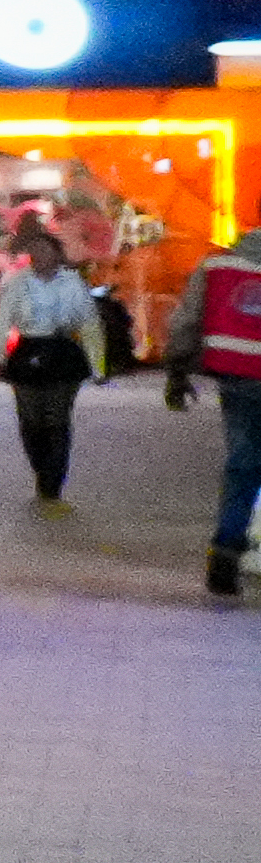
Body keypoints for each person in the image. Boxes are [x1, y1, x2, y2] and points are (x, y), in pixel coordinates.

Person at [0, 227, 107, 508]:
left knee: (57, 419)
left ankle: (52, 483)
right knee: (31, 420)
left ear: (57, 254)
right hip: (28, 353)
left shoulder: (72, 283)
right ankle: (41, 468)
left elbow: (89, 323)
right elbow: (3, 318)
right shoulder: (19, 283)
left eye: (44, 250)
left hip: (63, 352)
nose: (39, 256)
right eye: (34, 251)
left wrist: (98, 365)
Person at [177, 218, 261, 596]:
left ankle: (226, 551)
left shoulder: (218, 265)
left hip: (236, 375)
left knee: (243, 464)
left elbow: (186, 321)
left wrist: (177, 371)